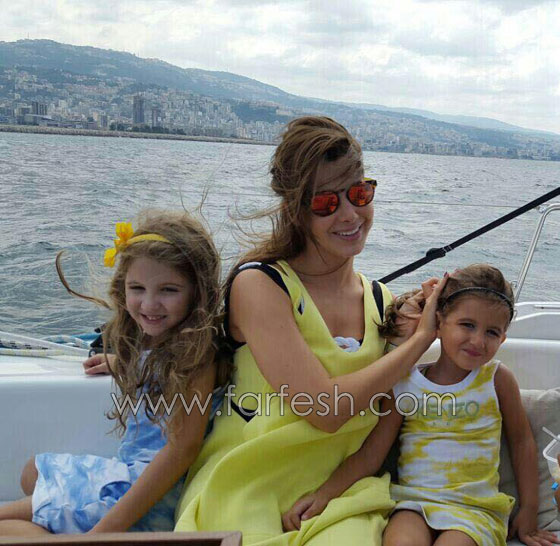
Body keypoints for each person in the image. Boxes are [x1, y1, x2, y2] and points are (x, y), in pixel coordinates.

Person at [174, 116, 448, 545]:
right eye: (325, 203)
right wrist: (419, 342)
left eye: (359, 193)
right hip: (246, 487)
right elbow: (323, 409)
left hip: (340, 496)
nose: (350, 214)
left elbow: (382, 419)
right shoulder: (261, 284)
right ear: (295, 211)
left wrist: (407, 334)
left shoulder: (382, 301)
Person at [282, 264, 560, 546]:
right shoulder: (405, 381)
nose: (478, 340)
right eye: (467, 325)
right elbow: (371, 455)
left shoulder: (497, 379)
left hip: (475, 510)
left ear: (503, 339)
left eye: (492, 332)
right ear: (438, 322)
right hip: (413, 503)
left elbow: (522, 442)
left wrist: (529, 510)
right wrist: (323, 495)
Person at [0, 210, 231, 536]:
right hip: (128, 471)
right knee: (32, 472)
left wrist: (105, 533)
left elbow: (183, 449)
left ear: (198, 292)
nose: (149, 304)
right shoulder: (163, 344)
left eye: (168, 290)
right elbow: (160, 372)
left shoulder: (197, 356)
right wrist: (125, 363)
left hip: (147, 494)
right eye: (137, 287)